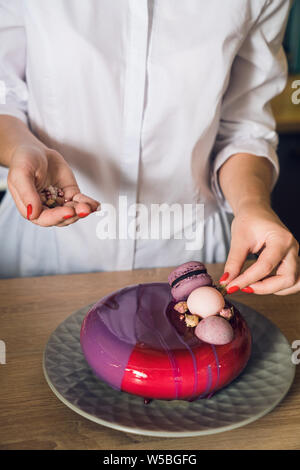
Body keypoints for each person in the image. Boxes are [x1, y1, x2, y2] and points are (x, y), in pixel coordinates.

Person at [0, 0, 299, 295]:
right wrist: (20, 149)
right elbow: (4, 97)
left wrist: (252, 206)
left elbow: (243, 127)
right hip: (44, 258)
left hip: (192, 254)